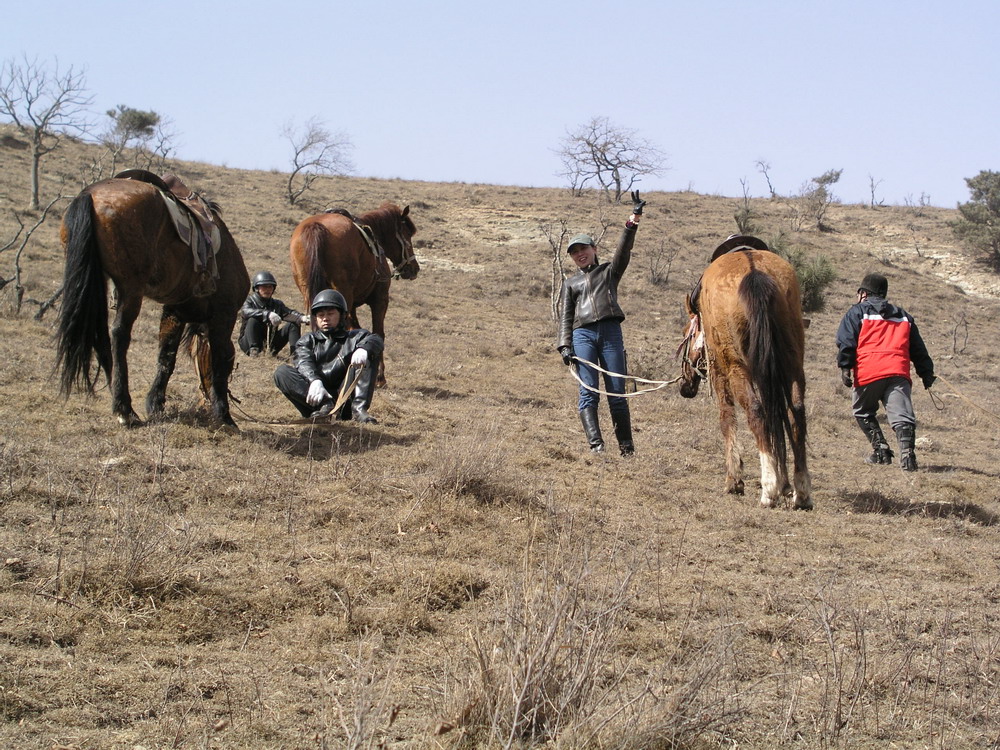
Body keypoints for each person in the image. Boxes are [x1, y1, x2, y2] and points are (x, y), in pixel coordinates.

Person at [556, 191, 646, 455]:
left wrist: (633, 220)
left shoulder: (609, 271)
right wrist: (564, 345)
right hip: (582, 336)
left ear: (594, 249)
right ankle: (596, 446)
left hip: (610, 333)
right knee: (588, 391)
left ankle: (627, 447)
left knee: (617, 391)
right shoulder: (570, 283)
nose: (579, 254)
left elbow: (624, 250)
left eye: (583, 249)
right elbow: (566, 317)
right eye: (574, 252)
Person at [836, 272, 935, 471]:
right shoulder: (904, 316)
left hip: (869, 370)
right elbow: (918, 349)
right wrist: (926, 373)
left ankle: (881, 451)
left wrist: (845, 367)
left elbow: (846, 341)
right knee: (902, 417)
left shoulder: (857, 312)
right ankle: (908, 458)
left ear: (864, 294)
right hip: (898, 372)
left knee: (863, 411)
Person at [273, 289, 383, 423]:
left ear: (342, 315)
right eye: (320, 315)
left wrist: (363, 349)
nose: (325, 318)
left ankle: (359, 411)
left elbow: (376, 340)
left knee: (370, 351)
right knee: (282, 372)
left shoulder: (356, 337)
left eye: (330, 313)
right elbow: (302, 360)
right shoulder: (307, 340)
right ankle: (324, 407)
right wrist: (314, 381)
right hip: (317, 399)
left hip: (346, 400)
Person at [238, 271, 310, 357]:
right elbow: (245, 311)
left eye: (270, 287)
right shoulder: (249, 301)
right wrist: (267, 314)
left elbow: (288, 313)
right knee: (252, 319)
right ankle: (254, 351)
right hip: (248, 343)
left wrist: (302, 318)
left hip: (270, 343)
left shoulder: (277, 304)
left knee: (293, 324)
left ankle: (296, 355)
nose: (268, 290)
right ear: (256, 288)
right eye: (264, 287)